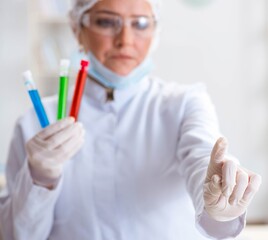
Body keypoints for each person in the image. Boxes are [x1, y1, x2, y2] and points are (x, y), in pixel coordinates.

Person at [0, 0, 262, 239]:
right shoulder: (38, 122)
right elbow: (16, 234)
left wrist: (219, 202)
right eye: (106, 22)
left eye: (140, 23)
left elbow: (202, 158)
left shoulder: (184, 104)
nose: (125, 40)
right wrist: (39, 178)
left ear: (155, 31)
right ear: (77, 29)